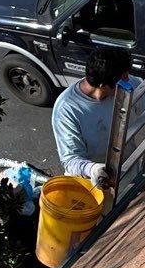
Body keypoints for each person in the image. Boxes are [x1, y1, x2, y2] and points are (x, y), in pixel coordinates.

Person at [52, 46, 130, 186]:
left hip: (128, 173)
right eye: (124, 77)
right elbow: (70, 160)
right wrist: (93, 169)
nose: (128, 80)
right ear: (103, 86)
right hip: (93, 184)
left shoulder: (125, 85)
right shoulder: (67, 109)